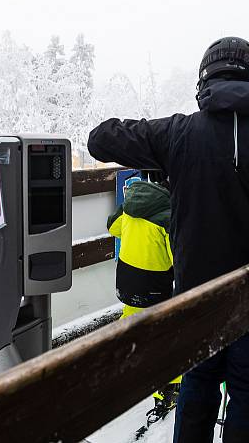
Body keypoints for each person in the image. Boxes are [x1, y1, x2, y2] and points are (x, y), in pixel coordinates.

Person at [88, 37, 249, 443]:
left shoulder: (177, 132)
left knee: (198, 383)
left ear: (204, 79)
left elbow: (100, 140)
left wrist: (160, 152)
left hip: (196, 295)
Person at [106, 170, 180, 421]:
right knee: (168, 334)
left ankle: (114, 370)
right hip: (154, 288)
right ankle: (169, 389)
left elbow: (112, 227)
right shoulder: (167, 217)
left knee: (129, 323)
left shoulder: (131, 204)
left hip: (126, 284)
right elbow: (178, 261)